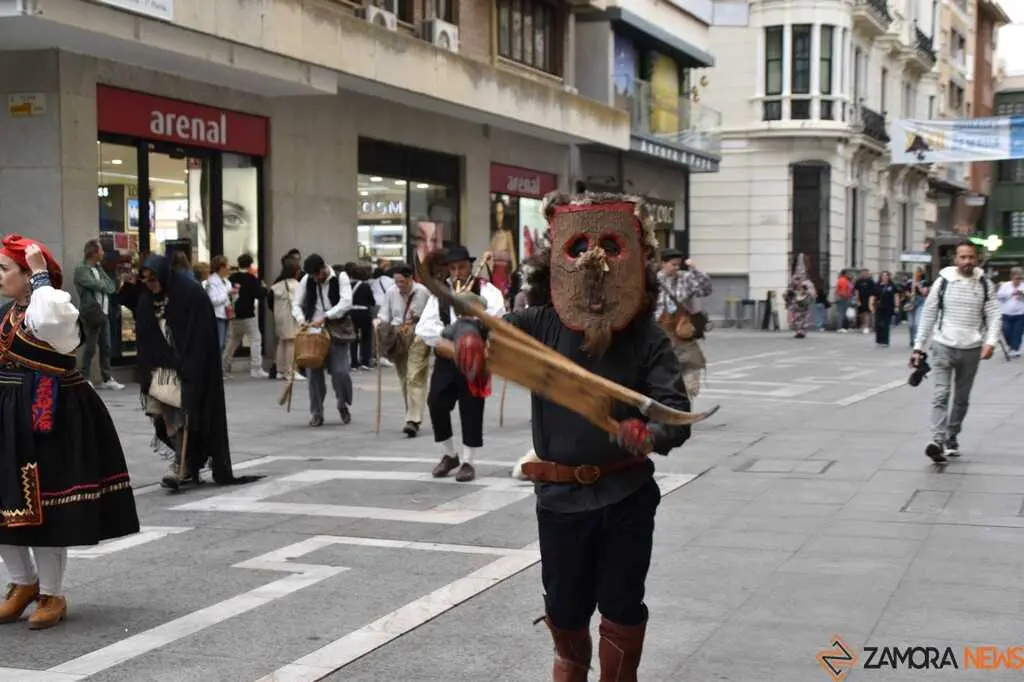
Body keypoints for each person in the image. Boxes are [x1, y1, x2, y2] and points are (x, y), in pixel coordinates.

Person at [447, 194, 692, 681]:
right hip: (559, 499)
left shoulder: (648, 338)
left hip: (626, 496)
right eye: (578, 247)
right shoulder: (539, 324)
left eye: (609, 249)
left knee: (622, 606)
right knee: (565, 611)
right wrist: (468, 335)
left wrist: (650, 433)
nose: (592, 263)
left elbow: (676, 413)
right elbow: (475, 319)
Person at [0, 234, 139, 629]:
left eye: (5, 269)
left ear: (30, 276)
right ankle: (21, 584)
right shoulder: (6, 313)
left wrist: (43, 277)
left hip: (48, 411)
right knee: (4, 503)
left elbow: (47, 322)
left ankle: (51, 593)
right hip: (8, 412)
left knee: (46, 505)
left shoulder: (56, 308)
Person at [135, 254, 262, 490]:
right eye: (146, 280)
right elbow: (145, 335)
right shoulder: (147, 300)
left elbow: (199, 334)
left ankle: (180, 466)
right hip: (161, 369)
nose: (150, 284)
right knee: (164, 416)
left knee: (183, 416)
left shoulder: (188, 294)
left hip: (190, 366)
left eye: (153, 279)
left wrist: (189, 364)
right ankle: (186, 463)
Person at [416, 245, 505, 483]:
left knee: (472, 407)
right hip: (448, 358)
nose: (458, 272)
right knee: (436, 402)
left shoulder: (488, 291)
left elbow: (498, 317)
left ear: (470, 266)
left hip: (475, 359)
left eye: (462, 267)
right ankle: (449, 454)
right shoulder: (441, 294)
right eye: (453, 268)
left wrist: (475, 327)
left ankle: (468, 461)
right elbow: (424, 327)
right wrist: (450, 340)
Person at [912, 241, 1001, 462]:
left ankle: (951, 437)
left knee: (961, 399)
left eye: (971, 257)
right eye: (963, 257)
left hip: (971, 349)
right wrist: (918, 347)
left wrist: (990, 342)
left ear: (977, 259)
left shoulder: (984, 284)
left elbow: (994, 315)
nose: (967, 261)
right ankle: (937, 440)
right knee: (941, 394)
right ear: (955, 259)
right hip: (943, 345)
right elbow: (928, 315)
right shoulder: (943, 282)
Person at [291, 254, 355, 427]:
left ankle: (342, 403)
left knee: (340, 372)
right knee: (314, 375)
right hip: (313, 332)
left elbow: (346, 303)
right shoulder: (307, 280)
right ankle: (316, 412)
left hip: (336, 330)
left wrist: (327, 316)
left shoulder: (340, 277)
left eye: (318, 275)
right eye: (313, 276)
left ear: (324, 268)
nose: (316, 278)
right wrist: (301, 319)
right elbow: (296, 304)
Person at [375, 264, 431, 437]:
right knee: (404, 378)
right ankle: (411, 415)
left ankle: (412, 420)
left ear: (410, 279)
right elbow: (385, 314)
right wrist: (379, 324)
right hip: (398, 336)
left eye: (402, 281)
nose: (399, 284)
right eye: (396, 281)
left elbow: (432, 315)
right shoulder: (391, 292)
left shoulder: (423, 292)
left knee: (415, 376)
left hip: (418, 335)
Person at [654, 248, 711, 399]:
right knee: (661, 367)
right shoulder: (653, 280)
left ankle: (686, 398)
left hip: (682, 330)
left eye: (679, 265)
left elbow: (706, 289)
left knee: (691, 365)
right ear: (663, 263)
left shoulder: (685, 278)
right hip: (660, 331)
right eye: (673, 264)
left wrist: (694, 269)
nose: (677, 268)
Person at [73, 239, 124, 390]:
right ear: (94, 252)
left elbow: (111, 287)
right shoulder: (81, 269)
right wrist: (102, 285)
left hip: (104, 312)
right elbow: (93, 284)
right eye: (101, 250)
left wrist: (103, 285)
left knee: (106, 346)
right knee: (90, 347)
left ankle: (107, 378)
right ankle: (85, 377)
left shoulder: (99, 269)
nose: (103, 253)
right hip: (91, 313)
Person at [224, 254, 268, 378]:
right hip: (248, 314)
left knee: (233, 340)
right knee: (255, 339)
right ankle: (256, 368)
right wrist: (264, 287)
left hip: (234, 314)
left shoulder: (231, 278)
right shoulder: (252, 279)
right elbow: (260, 294)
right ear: (250, 265)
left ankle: (223, 364)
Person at [271, 259, 304, 383]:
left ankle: (280, 371)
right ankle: (290, 370)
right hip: (291, 317)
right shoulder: (296, 285)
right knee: (291, 343)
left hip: (279, 317)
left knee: (282, 342)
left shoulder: (278, 285)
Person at [784, 255, 816, 339]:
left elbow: (790, 288)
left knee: (802, 315)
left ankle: (801, 330)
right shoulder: (799, 279)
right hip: (798, 300)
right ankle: (800, 330)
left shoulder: (802, 279)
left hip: (801, 300)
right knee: (799, 316)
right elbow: (790, 289)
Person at [206, 255, 232, 356]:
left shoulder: (227, 282)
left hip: (226, 315)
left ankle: (220, 367)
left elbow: (228, 299)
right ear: (221, 267)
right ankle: (216, 367)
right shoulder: (212, 281)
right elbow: (213, 300)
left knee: (224, 343)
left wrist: (234, 295)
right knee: (219, 343)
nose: (229, 267)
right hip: (217, 316)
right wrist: (227, 294)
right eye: (227, 265)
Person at [996, 266, 1024, 356]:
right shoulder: (1005, 285)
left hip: (1020, 314)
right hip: (1006, 313)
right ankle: (1011, 345)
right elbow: (998, 296)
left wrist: (1022, 296)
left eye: (1020, 278)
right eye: (1016, 278)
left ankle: (1015, 348)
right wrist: (1010, 294)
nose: (1018, 280)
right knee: (1006, 331)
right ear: (1012, 277)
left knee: (1017, 332)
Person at [871, 271, 900, 348]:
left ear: (888, 277)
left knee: (886, 324)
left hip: (888, 308)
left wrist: (897, 306)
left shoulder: (892, 286)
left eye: (886, 275)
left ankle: (885, 341)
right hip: (878, 307)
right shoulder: (877, 286)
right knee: (878, 324)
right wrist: (871, 305)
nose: (884, 277)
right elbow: (873, 296)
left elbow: (896, 296)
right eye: (883, 276)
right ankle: (879, 340)